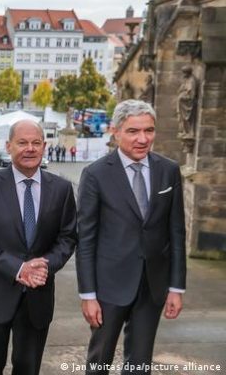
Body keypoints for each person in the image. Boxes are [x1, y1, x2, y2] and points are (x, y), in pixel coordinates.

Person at [76, 99, 186, 374]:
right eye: (133, 131)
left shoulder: (169, 171)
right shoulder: (95, 175)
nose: (143, 139)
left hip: (152, 286)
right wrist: (88, 294)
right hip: (108, 288)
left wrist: (176, 287)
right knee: (99, 361)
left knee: (140, 365)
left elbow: (176, 232)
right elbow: (86, 238)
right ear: (116, 131)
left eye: (149, 131)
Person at [0, 120, 77, 375]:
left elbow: (68, 237)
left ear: (44, 146)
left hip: (37, 299)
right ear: (8, 146)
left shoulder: (61, 189)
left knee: (28, 369)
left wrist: (43, 268)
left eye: (36, 143)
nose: (30, 148)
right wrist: (19, 268)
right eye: (22, 142)